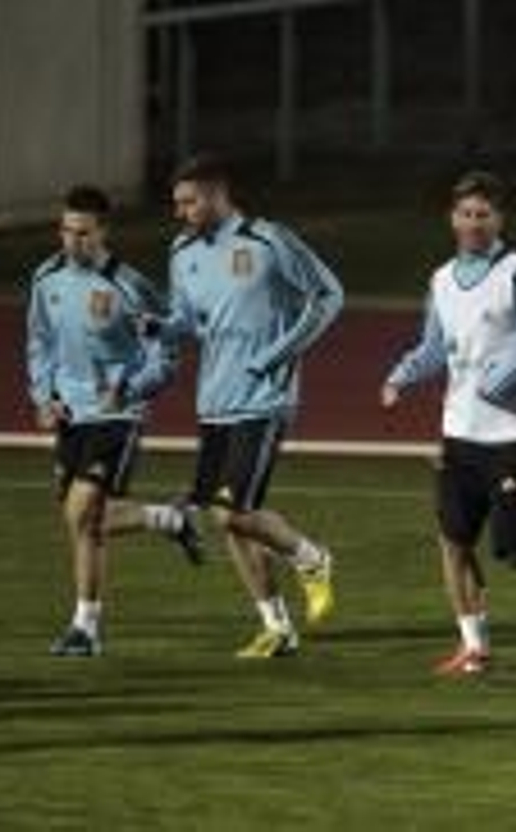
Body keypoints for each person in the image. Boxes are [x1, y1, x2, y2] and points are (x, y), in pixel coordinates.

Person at [381, 170, 516, 676]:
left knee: (512, 549)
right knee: (453, 540)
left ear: (500, 219)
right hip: (459, 428)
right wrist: (400, 377)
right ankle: (474, 646)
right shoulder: (441, 279)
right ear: (451, 218)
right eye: (465, 214)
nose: (474, 223)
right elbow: (434, 346)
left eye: (484, 214)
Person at [149, 153, 342, 658]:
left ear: (217, 194)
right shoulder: (182, 250)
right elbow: (189, 321)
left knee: (234, 510)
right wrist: (155, 326)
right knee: (227, 517)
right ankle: (276, 628)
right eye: (177, 203)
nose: (181, 212)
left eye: (189, 201)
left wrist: (279, 354)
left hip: (264, 399)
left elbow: (328, 296)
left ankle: (310, 555)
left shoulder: (268, 239)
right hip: (215, 400)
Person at [26, 184, 202, 657]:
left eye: (82, 233)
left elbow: (166, 353)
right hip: (70, 414)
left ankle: (85, 625)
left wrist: (129, 388)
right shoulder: (47, 278)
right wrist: (44, 397)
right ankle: (168, 519)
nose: (71, 241)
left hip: (117, 415)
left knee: (82, 511)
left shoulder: (130, 286)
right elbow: (40, 343)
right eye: (66, 231)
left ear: (103, 231)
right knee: (85, 521)